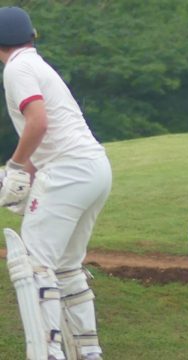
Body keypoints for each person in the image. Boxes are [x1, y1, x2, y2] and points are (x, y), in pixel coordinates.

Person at [0, 6, 112, 360]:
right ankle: (88, 353)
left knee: (32, 265)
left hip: (67, 171)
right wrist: (25, 174)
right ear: (32, 36)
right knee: (64, 267)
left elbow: (38, 123)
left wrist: (15, 167)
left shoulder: (17, 68)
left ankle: (49, 353)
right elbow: (46, 134)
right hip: (93, 168)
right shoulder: (37, 64)